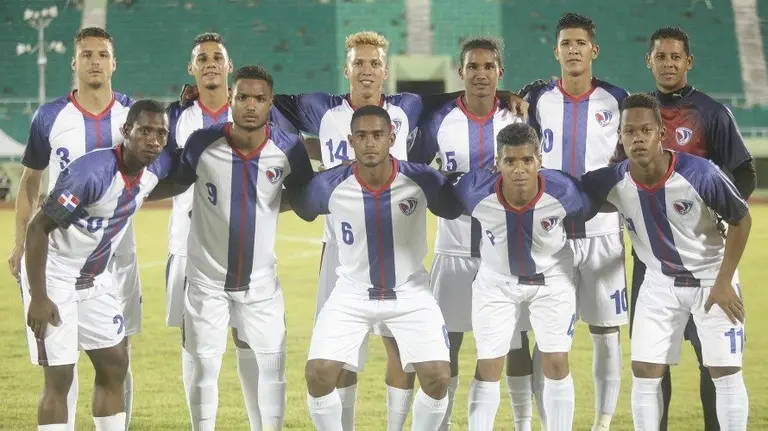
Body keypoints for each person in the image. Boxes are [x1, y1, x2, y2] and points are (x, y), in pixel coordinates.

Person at [151, 65, 313, 430]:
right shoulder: (202, 143)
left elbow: (305, 197)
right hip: (206, 281)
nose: (251, 106)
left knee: (273, 368)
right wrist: (131, 191)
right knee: (204, 367)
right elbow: (175, 182)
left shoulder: (288, 148)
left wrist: (269, 200)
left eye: (259, 98)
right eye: (243, 97)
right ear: (231, 101)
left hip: (261, 285)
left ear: (271, 103)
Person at [286, 105, 461, 431]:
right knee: (318, 373)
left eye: (378, 135)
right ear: (351, 140)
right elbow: (300, 201)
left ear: (391, 137)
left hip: (410, 291)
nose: (370, 143)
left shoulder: (421, 178)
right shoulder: (330, 183)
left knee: (438, 377)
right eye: (362, 136)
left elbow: (455, 198)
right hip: (352, 291)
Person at [582, 93, 750, 431]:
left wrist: (723, 282)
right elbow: (570, 192)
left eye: (646, 130)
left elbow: (741, 220)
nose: (638, 137)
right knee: (645, 371)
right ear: (620, 137)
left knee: (725, 371)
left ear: (662, 134)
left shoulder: (700, 173)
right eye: (629, 131)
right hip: (659, 284)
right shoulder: (611, 180)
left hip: (711, 281)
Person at [616, 27, 756, 431]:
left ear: (688, 61)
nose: (668, 63)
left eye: (676, 56)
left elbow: (744, 171)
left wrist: (722, 212)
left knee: (711, 358)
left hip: (703, 253)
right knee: (651, 358)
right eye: (661, 56)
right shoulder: (635, 114)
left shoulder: (711, 112)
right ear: (650, 61)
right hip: (653, 257)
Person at [9, 27, 139, 430]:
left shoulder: (132, 115)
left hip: (110, 258)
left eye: (102, 54)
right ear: (75, 62)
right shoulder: (49, 116)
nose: (95, 61)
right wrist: (19, 246)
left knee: (116, 356)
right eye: (87, 54)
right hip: (55, 254)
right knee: (61, 372)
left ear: (114, 62)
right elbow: (30, 186)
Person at [22, 100, 171, 431]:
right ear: (125, 131)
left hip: (96, 280)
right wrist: (40, 296)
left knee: (114, 364)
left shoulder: (154, 170)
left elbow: (180, 177)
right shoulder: (91, 173)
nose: (153, 140)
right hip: (54, 275)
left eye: (161, 133)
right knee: (59, 376)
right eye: (144, 131)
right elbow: (37, 229)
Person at [409, 36, 525, 430]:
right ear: (461, 73)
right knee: (448, 346)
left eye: (488, 66)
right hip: (453, 249)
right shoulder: (438, 120)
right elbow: (415, 173)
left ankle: (522, 424)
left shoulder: (517, 120)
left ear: (499, 72)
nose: (480, 73)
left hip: (505, 255)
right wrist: (450, 182)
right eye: (472, 67)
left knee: (515, 347)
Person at [453, 122, 601, 430]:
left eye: (526, 161)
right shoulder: (474, 190)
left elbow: (590, 207)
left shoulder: (564, 191)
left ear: (539, 161)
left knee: (557, 361)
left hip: (551, 280)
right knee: (489, 363)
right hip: (496, 282)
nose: (519, 169)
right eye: (510, 161)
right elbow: (442, 198)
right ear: (497, 163)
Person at [522, 13, 629, 430]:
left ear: (593, 50)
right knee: (547, 336)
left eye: (580, 43)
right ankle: (549, 424)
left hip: (604, 234)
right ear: (556, 51)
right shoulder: (537, 100)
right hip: (551, 237)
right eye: (565, 43)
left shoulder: (617, 100)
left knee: (606, 335)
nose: (573, 50)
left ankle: (601, 424)